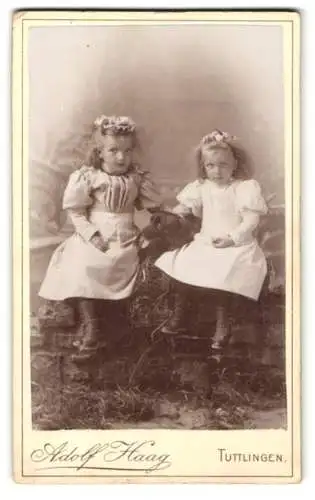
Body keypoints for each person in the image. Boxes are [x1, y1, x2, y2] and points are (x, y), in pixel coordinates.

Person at [39, 115, 161, 361]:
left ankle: (121, 333)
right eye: (113, 150)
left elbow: (155, 208)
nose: (121, 157)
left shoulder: (136, 178)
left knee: (127, 263)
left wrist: (149, 231)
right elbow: (75, 211)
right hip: (95, 234)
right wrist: (91, 235)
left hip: (126, 236)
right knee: (83, 264)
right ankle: (91, 327)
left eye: (127, 151)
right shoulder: (88, 176)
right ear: (99, 152)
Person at [154, 129, 268, 351]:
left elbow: (251, 221)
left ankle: (222, 324)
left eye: (223, 165)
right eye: (210, 166)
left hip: (235, 245)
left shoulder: (243, 188)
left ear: (235, 163)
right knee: (182, 265)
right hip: (206, 242)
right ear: (203, 166)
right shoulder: (202, 187)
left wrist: (232, 238)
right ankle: (179, 315)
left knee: (223, 275)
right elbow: (187, 207)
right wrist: (177, 213)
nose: (217, 171)